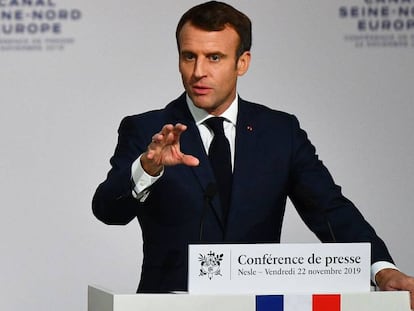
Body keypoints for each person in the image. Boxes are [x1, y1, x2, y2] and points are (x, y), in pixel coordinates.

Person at [92, 1, 414, 307]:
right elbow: (108, 210)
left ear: (242, 62)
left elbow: (329, 209)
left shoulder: (280, 133)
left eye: (214, 57)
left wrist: (381, 268)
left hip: (259, 306)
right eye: (189, 56)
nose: (198, 71)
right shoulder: (148, 131)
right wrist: (147, 169)